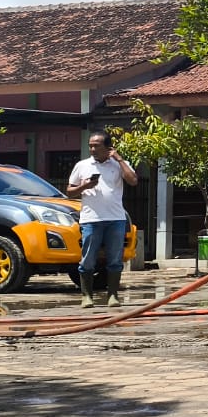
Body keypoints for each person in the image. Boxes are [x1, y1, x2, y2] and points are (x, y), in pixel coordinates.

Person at [66, 131, 137, 308]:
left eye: (97, 145)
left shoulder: (119, 164)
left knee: (115, 259)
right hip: (91, 219)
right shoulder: (82, 165)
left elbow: (133, 181)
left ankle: (112, 296)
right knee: (88, 259)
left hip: (115, 219)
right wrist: (85, 186)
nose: (92, 149)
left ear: (108, 147)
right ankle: (86, 296)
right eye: (90, 145)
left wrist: (119, 160)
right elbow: (69, 191)